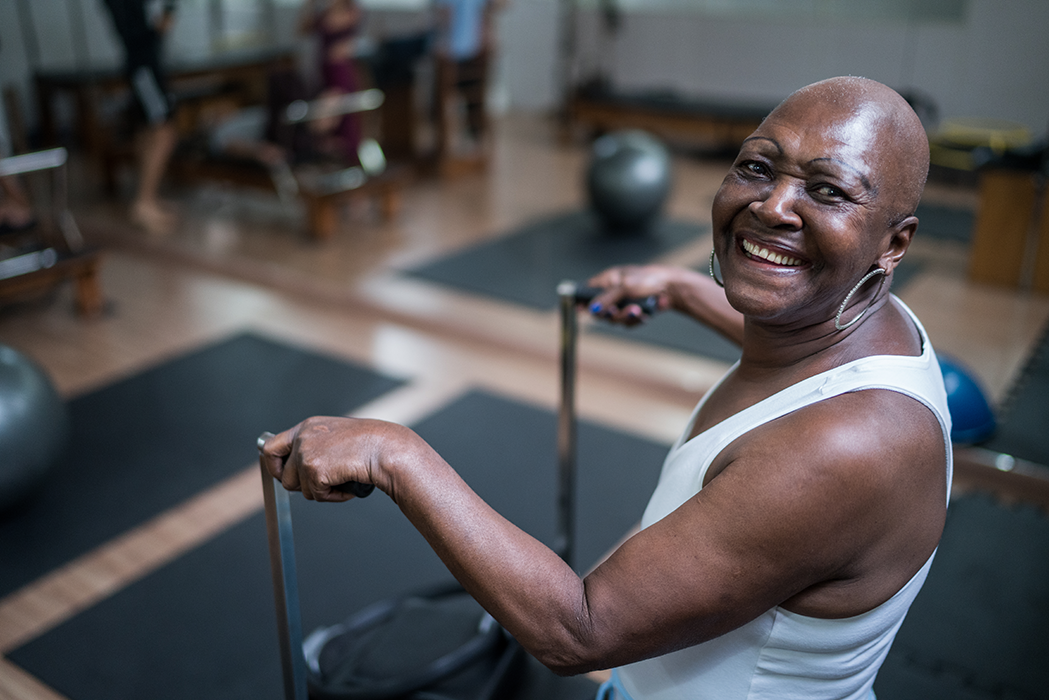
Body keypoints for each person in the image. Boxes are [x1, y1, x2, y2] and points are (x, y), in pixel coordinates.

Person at [259, 76, 951, 700]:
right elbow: (798, 354)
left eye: (827, 191)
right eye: (756, 167)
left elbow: (578, 631)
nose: (772, 206)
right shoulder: (878, 328)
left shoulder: (842, 447)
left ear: (894, 244)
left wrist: (395, 455)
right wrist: (682, 289)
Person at [101, 0, 180, 233]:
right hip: (144, 67)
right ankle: (144, 202)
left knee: (147, 131)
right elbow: (144, 34)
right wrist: (166, 17)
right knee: (163, 132)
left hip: (143, 65)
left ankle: (148, 198)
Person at [298, 0, 366, 164]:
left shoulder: (351, 10)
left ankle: (349, 157)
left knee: (339, 114)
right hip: (324, 71)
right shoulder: (324, 11)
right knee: (326, 115)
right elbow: (302, 30)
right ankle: (328, 158)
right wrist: (310, 5)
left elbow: (350, 38)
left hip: (339, 71)